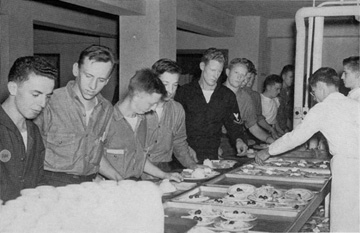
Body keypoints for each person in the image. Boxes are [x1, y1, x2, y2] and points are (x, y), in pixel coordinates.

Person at [255, 67, 360, 232]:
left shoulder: (323, 108)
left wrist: (268, 151)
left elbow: (295, 137)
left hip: (347, 170)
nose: (315, 97)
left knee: (343, 223)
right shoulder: (354, 104)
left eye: (313, 92)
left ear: (320, 87)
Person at [34, 45, 118, 186]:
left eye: (101, 80)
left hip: (88, 183)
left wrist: (121, 181)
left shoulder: (106, 109)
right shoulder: (50, 101)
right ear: (76, 70)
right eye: (88, 76)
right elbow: (29, 152)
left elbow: (95, 155)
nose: (93, 85)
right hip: (51, 183)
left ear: (108, 80)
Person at [103, 68, 183, 182]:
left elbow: (140, 158)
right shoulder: (107, 120)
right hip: (111, 187)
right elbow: (96, 158)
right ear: (137, 96)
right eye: (151, 103)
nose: (154, 108)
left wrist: (164, 175)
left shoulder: (142, 121)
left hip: (133, 183)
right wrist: (120, 182)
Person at [175, 48, 248, 163]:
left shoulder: (227, 95)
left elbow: (234, 125)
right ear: (202, 66)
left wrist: (239, 140)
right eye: (212, 70)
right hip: (185, 154)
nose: (216, 75)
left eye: (219, 72)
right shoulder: (184, 93)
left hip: (212, 155)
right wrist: (185, 149)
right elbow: (175, 128)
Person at [1, 56, 57, 201]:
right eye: (36, 94)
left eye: (48, 96)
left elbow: (37, 179)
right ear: (13, 88)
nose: (43, 103)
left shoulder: (33, 131)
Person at [145, 59, 200, 172]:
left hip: (164, 167)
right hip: (137, 168)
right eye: (165, 84)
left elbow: (179, 143)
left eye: (174, 85)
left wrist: (193, 166)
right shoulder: (140, 107)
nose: (170, 90)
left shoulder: (177, 109)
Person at [222, 58, 274, 152]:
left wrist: (272, 141)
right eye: (236, 73)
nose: (239, 78)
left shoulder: (246, 98)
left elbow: (253, 127)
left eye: (243, 75)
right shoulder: (215, 93)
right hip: (216, 142)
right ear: (228, 72)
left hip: (238, 143)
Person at [243, 61, 279, 139]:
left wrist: (271, 129)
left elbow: (258, 117)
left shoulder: (255, 96)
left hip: (251, 133)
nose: (250, 82)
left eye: (252, 79)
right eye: (248, 78)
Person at [276, 64, 295, 133]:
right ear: (283, 76)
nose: (293, 80)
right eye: (291, 77)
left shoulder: (289, 92)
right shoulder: (277, 92)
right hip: (278, 129)